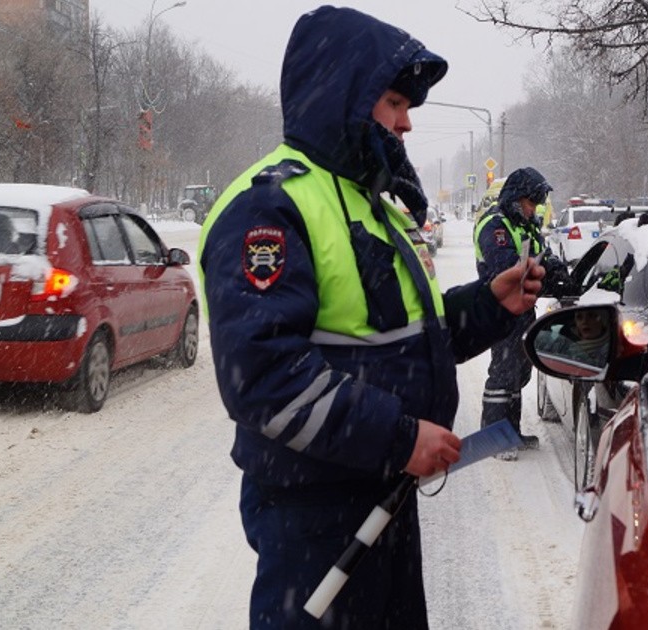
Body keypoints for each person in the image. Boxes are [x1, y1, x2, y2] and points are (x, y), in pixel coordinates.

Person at [196, 7, 545, 628]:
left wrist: (491, 305)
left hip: (380, 493)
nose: (407, 123)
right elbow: (264, 377)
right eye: (393, 102)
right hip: (315, 511)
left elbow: (406, 336)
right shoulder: (270, 205)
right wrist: (401, 437)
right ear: (345, 97)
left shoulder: (370, 204)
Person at [473, 166, 575, 461]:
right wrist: (539, 274)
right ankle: (493, 439)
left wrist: (557, 270)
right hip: (499, 308)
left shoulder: (525, 226)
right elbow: (505, 267)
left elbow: (542, 254)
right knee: (503, 373)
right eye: (531, 203)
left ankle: (510, 433)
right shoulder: (495, 225)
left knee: (519, 373)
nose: (534, 210)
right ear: (517, 199)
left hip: (523, 310)